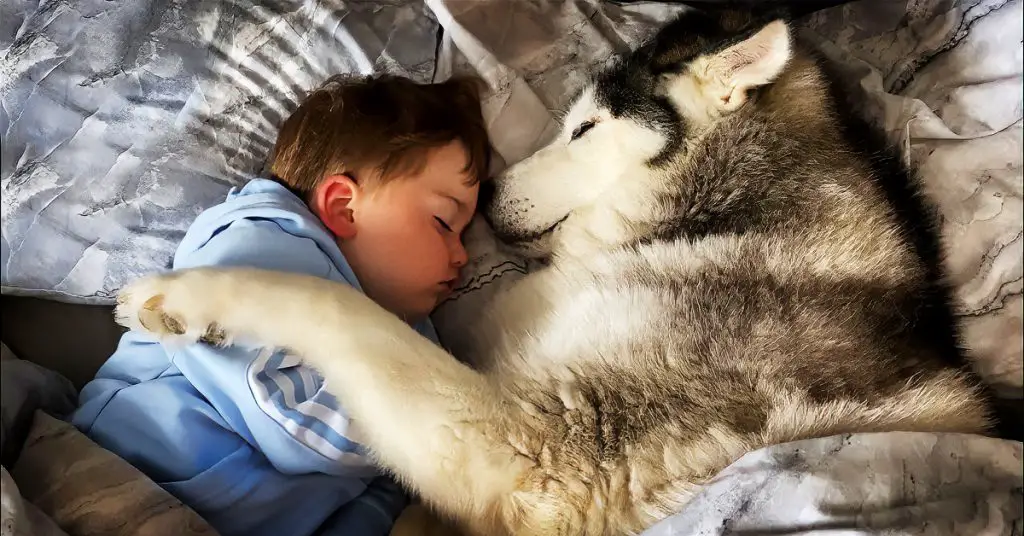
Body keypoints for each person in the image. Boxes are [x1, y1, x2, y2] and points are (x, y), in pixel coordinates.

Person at [72, 74, 491, 536]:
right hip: (114, 475)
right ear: (344, 207)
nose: (462, 254)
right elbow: (288, 410)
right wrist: (441, 439)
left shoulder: (415, 335)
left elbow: (388, 492)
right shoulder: (262, 244)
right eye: (444, 222)